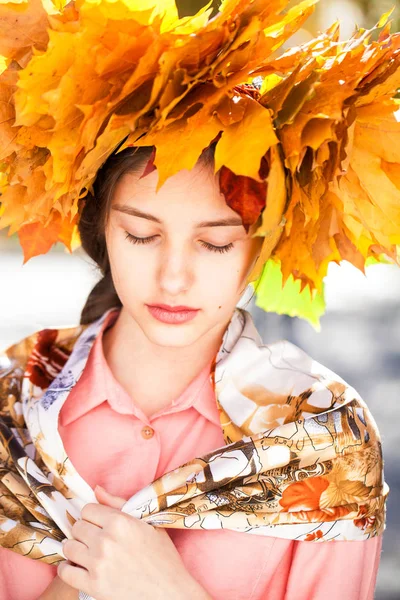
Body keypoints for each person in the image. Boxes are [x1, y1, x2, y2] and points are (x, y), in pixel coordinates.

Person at [0, 143, 385, 600]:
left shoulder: (327, 438)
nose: (173, 279)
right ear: (100, 226)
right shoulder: (15, 400)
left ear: (268, 242)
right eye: (141, 235)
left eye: (216, 243)